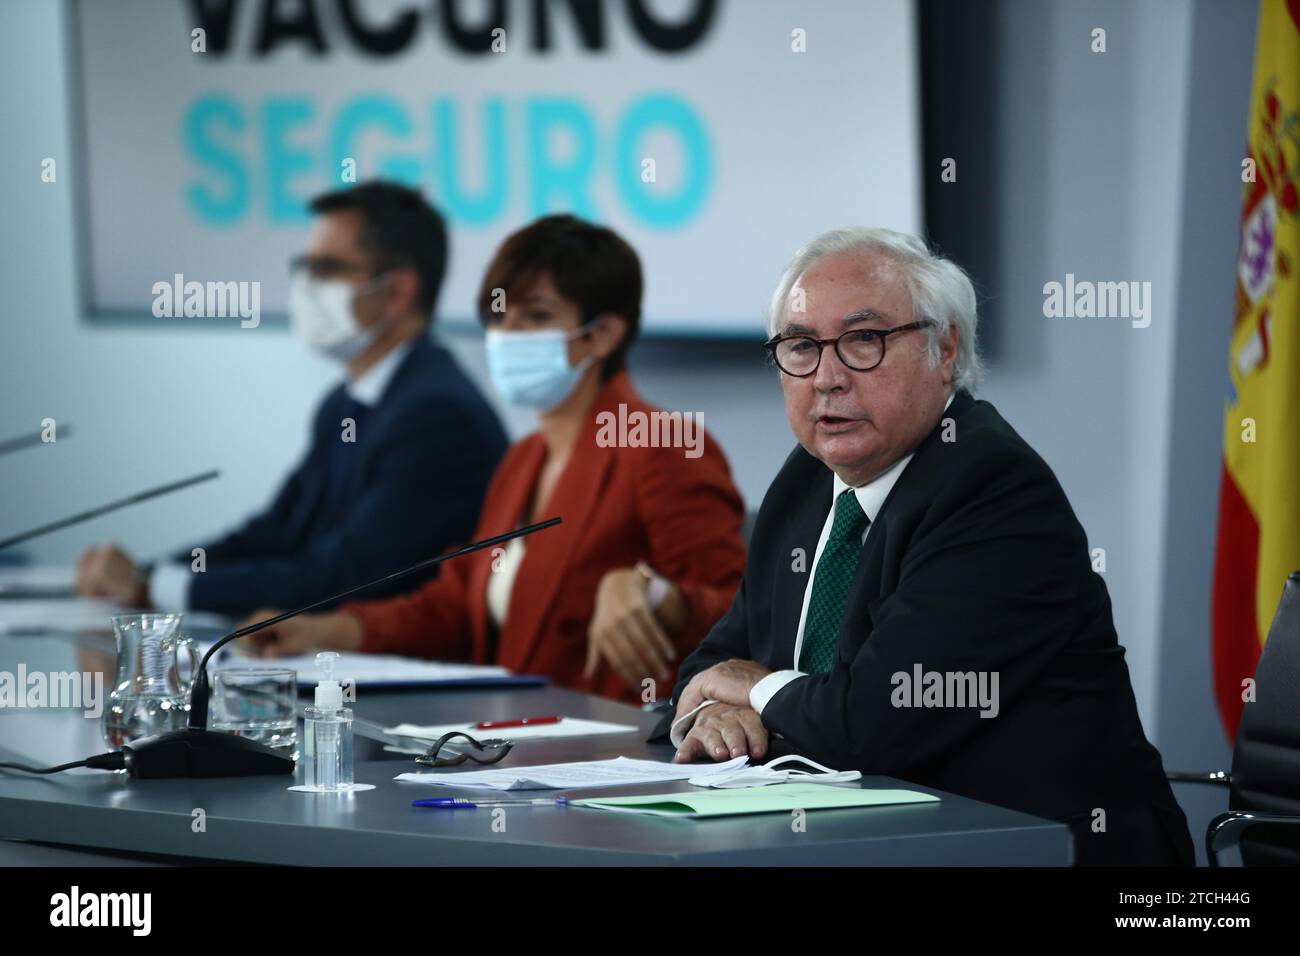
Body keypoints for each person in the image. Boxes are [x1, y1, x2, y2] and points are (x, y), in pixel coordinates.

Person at [658, 227, 1194, 866]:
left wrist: (757, 688)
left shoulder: (991, 488)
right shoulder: (806, 480)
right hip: (864, 842)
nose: (827, 378)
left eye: (863, 341)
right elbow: (716, 661)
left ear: (945, 349)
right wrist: (714, 717)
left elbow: (870, 725)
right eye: (801, 347)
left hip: (1038, 849)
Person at [243, 214, 747, 705]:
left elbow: (739, 613)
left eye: (537, 316)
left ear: (603, 334)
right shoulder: (524, 459)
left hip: (620, 753)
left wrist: (653, 594)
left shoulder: (662, 444)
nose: (507, 334)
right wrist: (329, 628)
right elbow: (458, 606)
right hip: (516, 744)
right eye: (499, 316)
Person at [75, 181, 507, 616]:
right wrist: (151, 575)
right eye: (305, 266)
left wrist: (158, 588)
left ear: (398, 292)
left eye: (328, 269)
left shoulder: (437, 417)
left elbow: (344, 579)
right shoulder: (344, 403)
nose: (306, 285)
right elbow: (277, 534)